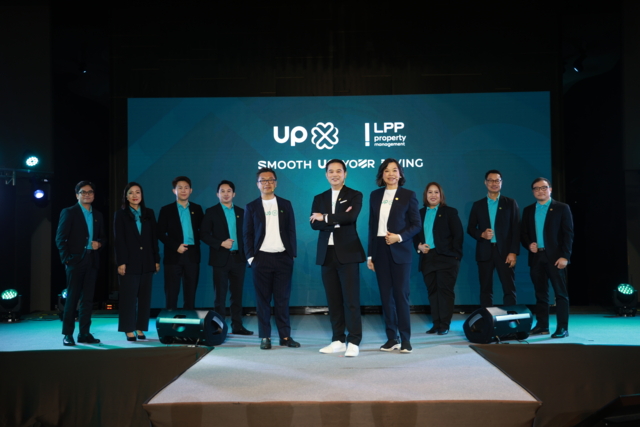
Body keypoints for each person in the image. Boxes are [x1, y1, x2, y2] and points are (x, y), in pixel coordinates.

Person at [310, 159, 366, 357]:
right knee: (333, 300)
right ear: (326, 175)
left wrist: (325, 217)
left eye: (338, 171)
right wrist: (338, 219)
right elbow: (314, 224)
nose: (335, 175)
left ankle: (354, 340)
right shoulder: (319, 197)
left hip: (348, 253)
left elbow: (351, 218)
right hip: (327, 254)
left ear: (345, 174)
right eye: (331, 171)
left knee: (351, 300)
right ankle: (338, 340)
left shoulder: (355, 195)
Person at [367, 158, 421, 353]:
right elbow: (372, 226)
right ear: (382, 175)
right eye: (387, 171)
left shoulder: (408, 195)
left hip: (400, 249)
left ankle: (405, 339)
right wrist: (370, 255)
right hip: (380, 250)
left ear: (400, 174)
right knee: (386, 296)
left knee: (401, 295)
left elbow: (416, 224)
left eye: (394, 170)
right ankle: (392, 338)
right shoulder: (375, 195)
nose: (391, 174)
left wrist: (399, 237)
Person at [243, 167, 299, 349]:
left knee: (282, 299)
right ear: (257, 184)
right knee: (263, 300)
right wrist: (251, 258)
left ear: (276, 183)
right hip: (261, 259)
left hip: (283, 258)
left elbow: (291, 230)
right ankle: (265, 337)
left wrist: (292, 254)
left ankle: (285, 336)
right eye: (263, 180)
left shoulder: (285, 204)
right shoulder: (251, 207)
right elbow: (247, 234)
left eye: (270, 180)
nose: (267, 183)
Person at [521, 177, 574, 338]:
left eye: (543, 187)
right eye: (536, 188)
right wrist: (529, 244)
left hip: (556, 258)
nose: (540, 191)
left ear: (550, 189)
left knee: (560, 294)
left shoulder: (562, 208)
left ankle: (563, 328)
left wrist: (565, 256)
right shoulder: (528, 210)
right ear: (533, 192)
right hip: (536, 257)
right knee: (540, 293)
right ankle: (542, 325)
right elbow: (523, 233)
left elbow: (568, 234)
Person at [55, 181, 105, 346]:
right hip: (75, 262)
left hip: (92, 260)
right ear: (77, 195)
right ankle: (67, 334)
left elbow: (103, 237)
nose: (87, 195)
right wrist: (67, 259)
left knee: (88, 300)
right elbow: (60, 239)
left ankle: (84, 333)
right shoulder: (69, 212)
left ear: (94, 195)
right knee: (72, 299)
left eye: (90, 192)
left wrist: (100, 243)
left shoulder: (98, 215)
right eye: (83, 192)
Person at [201, 180, 253, 335]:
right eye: (222, 191)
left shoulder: (242, 212)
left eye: (229, 191)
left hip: (239, 259)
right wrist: (220, 243)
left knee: (237, 295)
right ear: (217, 194)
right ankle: (219, 328)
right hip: (220, 259)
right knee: (220, 296)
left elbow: (248, 234)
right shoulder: (211, 212)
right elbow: (203, 234)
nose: (225, 194)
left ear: (234, 194)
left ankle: (237, 326)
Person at [414, 182, 463, 335]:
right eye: (430, 192)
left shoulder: (450, 212)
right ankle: (436, 324)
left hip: (447, 258)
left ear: (441, 195)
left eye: (436, 192)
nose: (433, 195)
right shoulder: (419, 213)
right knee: (432, 292)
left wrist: (455, 256)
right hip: (427, 258)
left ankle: (444, 325)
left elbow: (458, 235)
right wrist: (419, 246)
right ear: (425, 195)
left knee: (445, 292)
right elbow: (414, 235)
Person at [114, 182, 160, 341]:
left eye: (138, 192)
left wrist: (156, 259)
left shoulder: (149, 213)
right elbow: (119, 240)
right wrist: (121, 262)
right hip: (129, 262)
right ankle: (128, 328)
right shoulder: (120, 215)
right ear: (126, 197)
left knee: (144, 298)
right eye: (131, 193)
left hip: (147, 261)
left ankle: (140, 327)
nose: (135, 195)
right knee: (129, 297)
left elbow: (154, 238)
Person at [467, 170, 520, 307]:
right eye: (491, 180)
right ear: (485, 183)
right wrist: (481, 234)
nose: (494, 183)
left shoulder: (510, 203)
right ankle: (487, 318)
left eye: (497, 180)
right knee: (485, 289)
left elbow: (516, 229)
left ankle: (511, 317)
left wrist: (513, 252)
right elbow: (470, 228)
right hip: (485, 252)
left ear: (501, 182)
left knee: (509, 289)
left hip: (505, 253)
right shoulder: (478, 205)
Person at [157, 176, 203, 309]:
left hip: (192, 255)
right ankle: (171, 320)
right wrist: (176, 246)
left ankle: (189, 320)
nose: (183, 190)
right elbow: (160, 233)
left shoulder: (197, 209)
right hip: (173, 255)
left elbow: (203, 230)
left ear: (191, 190)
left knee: (190, 294)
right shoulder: (166, 210)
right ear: (174, 191)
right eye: (180, 188)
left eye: (186, 188)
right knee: (171, 293)